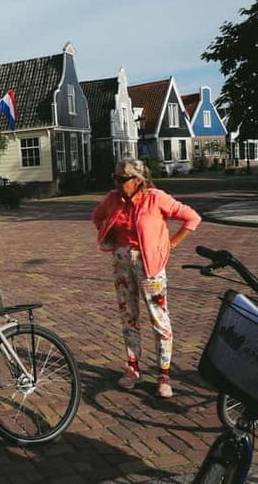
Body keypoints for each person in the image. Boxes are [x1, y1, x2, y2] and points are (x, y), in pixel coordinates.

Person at [92, 158, 201, 399]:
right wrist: (108, 236)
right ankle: (132, 368)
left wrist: (169, 245)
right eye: (116, 178)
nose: (117, 183)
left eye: (122, 179)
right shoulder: (113, 199)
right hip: (121, 265)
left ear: (137, 180)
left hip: (150, 267)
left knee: (159, 320)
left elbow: (192, 218)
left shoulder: (156, 198)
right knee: (128, 317)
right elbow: (97, 216)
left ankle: (164, 374)